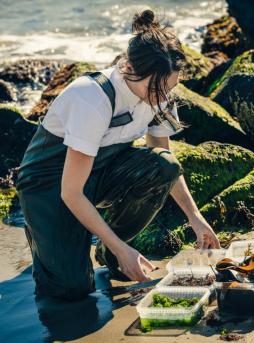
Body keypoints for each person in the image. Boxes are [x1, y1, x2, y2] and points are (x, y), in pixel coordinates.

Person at [15, 9, 221, 301]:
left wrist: (195, 217)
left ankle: (111, 252)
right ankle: (45, 233)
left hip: (100, 173)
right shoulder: (92, 98)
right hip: (49, 188)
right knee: (70, 291)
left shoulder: (158, 95)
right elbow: (71, 192)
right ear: (130, 69)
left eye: (170, 87)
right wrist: (121, 248)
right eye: (158, 88)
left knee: (163, 166)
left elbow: (164, 160)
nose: (164, 98)